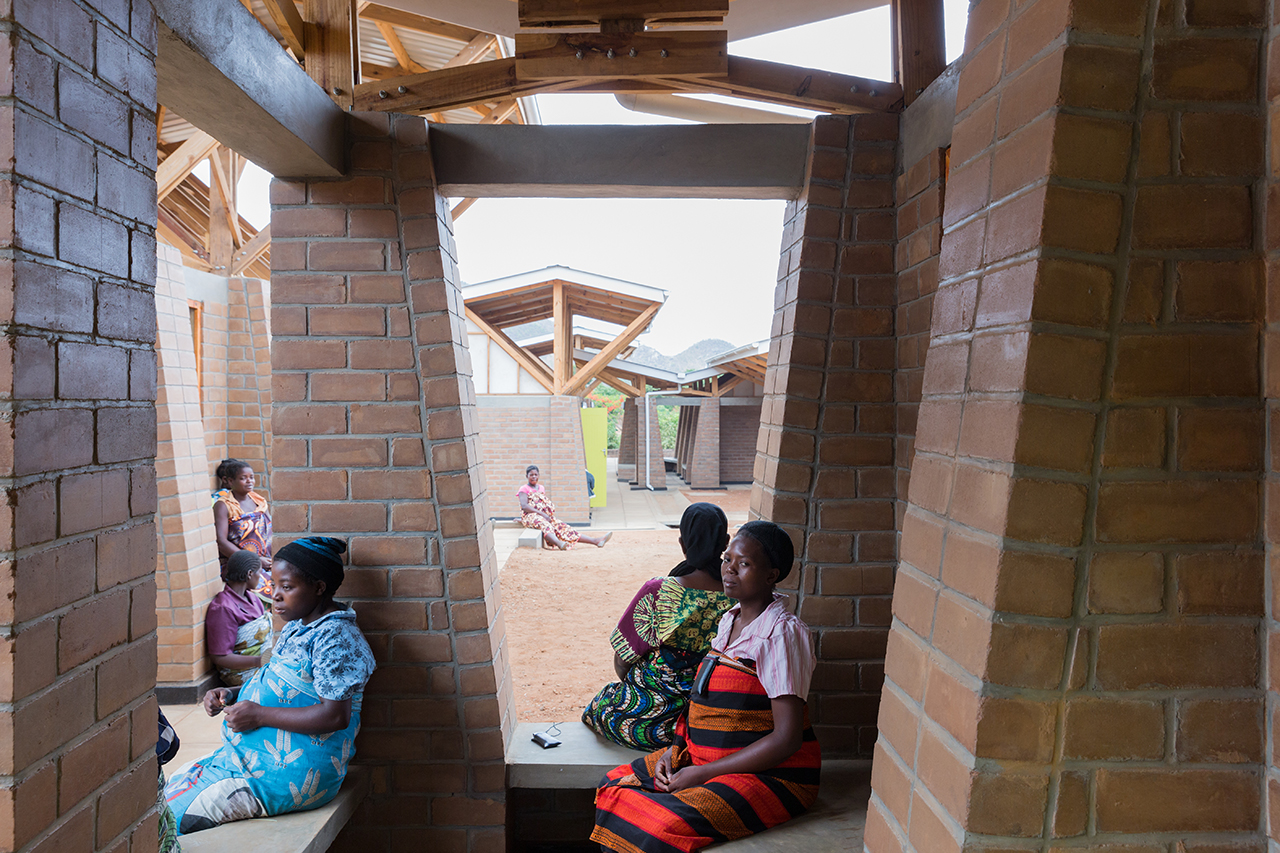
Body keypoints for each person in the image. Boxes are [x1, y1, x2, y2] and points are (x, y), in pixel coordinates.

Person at [592, 521, 820, 853]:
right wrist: (674, 752)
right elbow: (699, 702)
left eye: (744, 564)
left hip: (771, 775)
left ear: (771, 575)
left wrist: (702, 775)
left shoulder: (782, 634)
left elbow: (786, 739)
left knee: (659, 825)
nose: (729, 570)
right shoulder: (730, 620)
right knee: (613, 785)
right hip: (700, 757)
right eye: (728, 559)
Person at [165, 537, 376, 834]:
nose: (275, 595)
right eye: (273, 584)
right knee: (170, 785)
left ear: (319, 588)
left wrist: (259, 715)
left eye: (286, 587)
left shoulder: (336, 639)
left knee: (168, 818)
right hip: (250, 759)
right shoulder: (299, 626)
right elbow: (279, 682)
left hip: (291, 776)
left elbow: (335, 716)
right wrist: (232, 694)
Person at [582, 502, 734, 750]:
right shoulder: (738, 597)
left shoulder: (658, 591)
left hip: (649, 727)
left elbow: (622, 660)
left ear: (682, 543)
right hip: (706, 725)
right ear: (725, 542)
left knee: (602, 704)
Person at [205, 549, 273, 687]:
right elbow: (219, 657)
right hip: (240, 672)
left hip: (263, 662)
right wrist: (259, 661)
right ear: (249, 574)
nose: (261, 577)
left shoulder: (253, 598)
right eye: (259, 573)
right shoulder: (223, 608)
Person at [212, 458, 273, 600]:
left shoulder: (258, 501)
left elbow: (270, 530)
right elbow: (221, 542)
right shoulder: (224, 505)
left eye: (251, 477)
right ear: (230, 481)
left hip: (266, 561)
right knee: (267, 591)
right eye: (243, 478)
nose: (249, 481)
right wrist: (256, 560)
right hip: (240, 565)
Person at [518, 464, 611, 550]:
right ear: (527, 476)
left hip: (544, 515)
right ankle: (559, 543)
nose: (534, 477)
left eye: (536, 474)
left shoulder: (541, 488)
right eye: (531, 475)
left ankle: (596, 541)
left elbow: (543, 504)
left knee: (563, 527)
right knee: (545, 524)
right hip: (531, 516)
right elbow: (525, 506)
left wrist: (546, 515)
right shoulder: (524, 489)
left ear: (538, 475)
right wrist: (541, 515)